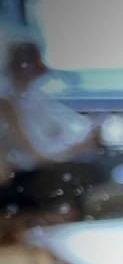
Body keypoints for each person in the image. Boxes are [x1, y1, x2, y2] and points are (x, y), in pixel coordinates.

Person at [0, 39, 105, 214]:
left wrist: (85, 137)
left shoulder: (32, 96)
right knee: (88, 172)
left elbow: (68, 126)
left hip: (39, 170)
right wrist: (77, 147)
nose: (43, 67)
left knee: (95, 166)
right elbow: (38, 155)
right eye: (36, 60)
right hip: (25, 176)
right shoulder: (7, 103)